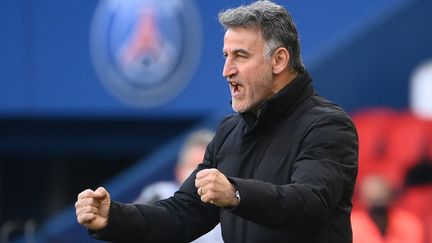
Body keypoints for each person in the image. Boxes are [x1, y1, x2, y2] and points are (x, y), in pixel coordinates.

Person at [75, 1, 359, 242]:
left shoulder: (327, 126)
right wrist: (114, 218)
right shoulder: (229, 132)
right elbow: (183, 214)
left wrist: (236, 193)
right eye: (226, 56)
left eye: (240, 56)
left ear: (279, 60)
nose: (226, 70)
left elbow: (308, 203)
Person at [133, 129, 223, 243]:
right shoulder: (159, 194)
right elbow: (136, 230)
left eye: (204, 168)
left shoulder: (229, 202)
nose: (197, 173)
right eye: (192, 166)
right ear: (178, 170)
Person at [351, 175, 424, 243]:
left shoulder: (409, 224)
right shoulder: (353, 224)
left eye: (382, 209)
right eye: (375, 208)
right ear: (362, 201)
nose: (379, 215)